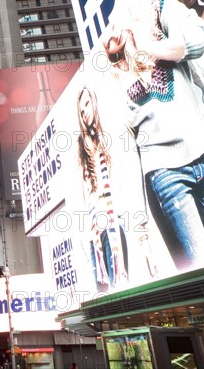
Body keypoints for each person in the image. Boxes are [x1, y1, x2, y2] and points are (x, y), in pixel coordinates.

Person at [101, 0, 204, 271]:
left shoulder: (158, 8)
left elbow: (197, 41)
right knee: (201, 272)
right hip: (166, 177)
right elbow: (125, 155)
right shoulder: (114, 71)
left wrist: (148, 45)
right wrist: (139, 230)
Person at [75, 85, 129, 290]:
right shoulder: (83, 150)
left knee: (121, 289)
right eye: (81, 111)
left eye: (87, 104)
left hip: (114, 224)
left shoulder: (109, 138)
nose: (85, 112)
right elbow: (85, 195)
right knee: (105, 294)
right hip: (95, 232)